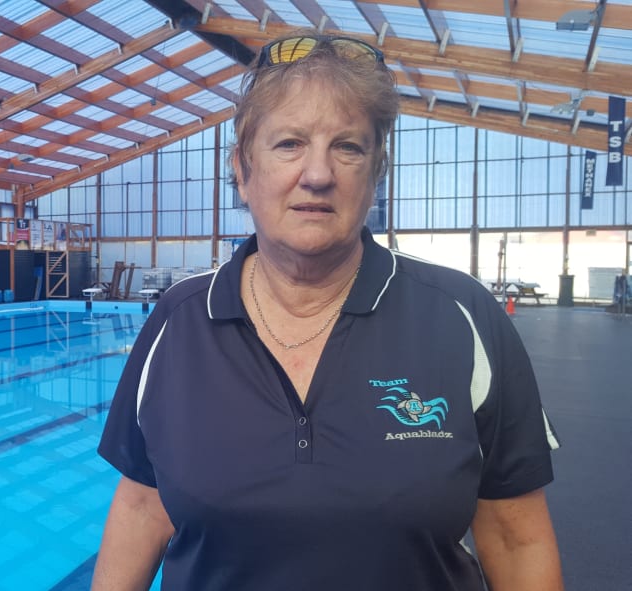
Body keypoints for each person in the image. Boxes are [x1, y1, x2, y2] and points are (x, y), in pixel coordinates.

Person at [92, 32, 563, 590]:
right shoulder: (179, 321)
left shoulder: (462, 317)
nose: (317, 174)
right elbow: (144, 507)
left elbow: (515, 534)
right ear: (242, 170)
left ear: (376, 173)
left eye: (348, 146)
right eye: (289, 143)